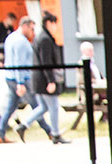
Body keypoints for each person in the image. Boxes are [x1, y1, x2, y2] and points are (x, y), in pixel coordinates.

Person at [17, 11, 69, 144]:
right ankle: (56, 134)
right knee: (53, 107)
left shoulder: (40, 37)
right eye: (54, 24)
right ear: (48, 23)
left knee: (43, 107)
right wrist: (51, 81)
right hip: (44, 79)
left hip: (38, 78)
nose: (56, 27)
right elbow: (46, 62)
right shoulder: (45, 39)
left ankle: (24, 125)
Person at [0, 16, 34, 143]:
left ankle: (0, 134)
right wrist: (20, 82)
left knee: (10, 107)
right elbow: (19, 62)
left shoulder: (10, 37)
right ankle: (50, 131)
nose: (32, 32)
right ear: (25, 26)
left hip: (10, 77)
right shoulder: (21, 41)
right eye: (31, 29)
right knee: (37, 105)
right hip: (21, 78)